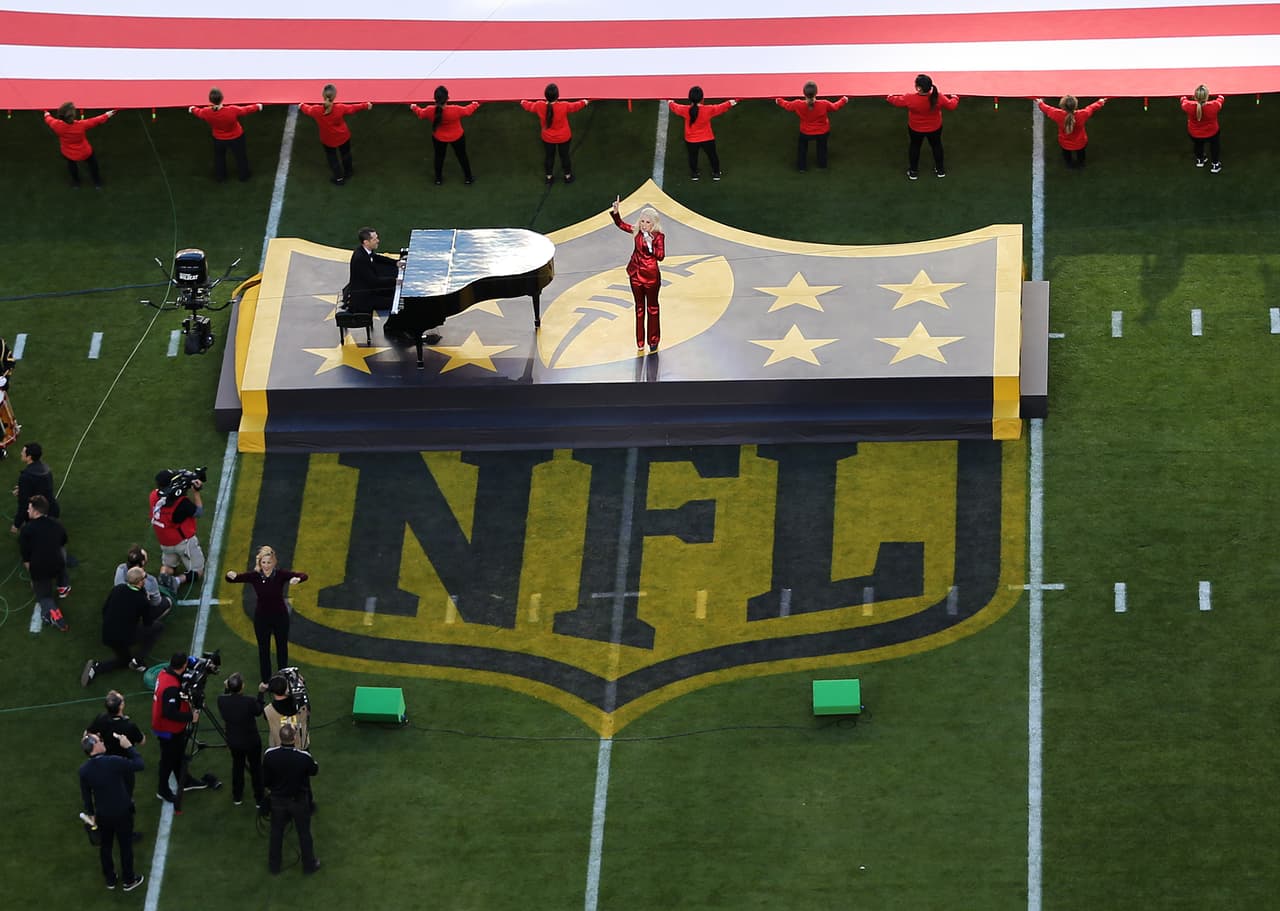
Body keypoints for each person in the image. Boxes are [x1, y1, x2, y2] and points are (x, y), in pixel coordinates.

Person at [226, 545, 308, 685]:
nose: (266, 565)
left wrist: (298, 580)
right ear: (259, 563)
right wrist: (230, 575)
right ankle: (266, 680)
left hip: (280, 617)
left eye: (269, 562)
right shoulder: (255, 576)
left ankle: (283, 678)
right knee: (263, 650)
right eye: (263, 562)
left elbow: (303, 575)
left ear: (274, 562)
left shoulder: (281, 574)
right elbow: (233, 579)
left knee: (282, 648)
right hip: (262, 618)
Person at [79, 730, 145, 892]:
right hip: (122, 811)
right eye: (99, 741)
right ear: (94, 746)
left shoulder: (84, 770)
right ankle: (129, 880)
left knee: (105, 847)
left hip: (103, 814)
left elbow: (86, 796)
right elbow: (139, 764)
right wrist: (129, 746)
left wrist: (91, 814)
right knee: (125, 846)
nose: (102, 742)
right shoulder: (113, 761)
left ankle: (110, 878)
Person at [81, 567, 167, 687]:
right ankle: (138, 661)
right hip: (125, 636)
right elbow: (148, 622)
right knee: (157, 628)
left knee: (124, 660)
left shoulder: (117, 589)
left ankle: (96, 668)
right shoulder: (142, 600)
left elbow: (104, 609)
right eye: (144, 577)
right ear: (140, 582)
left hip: (108, 634)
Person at [262, 722, 320, 875]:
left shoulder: (269, 754)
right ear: (294, 738)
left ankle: (274, 866)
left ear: (280, 738)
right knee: (304, 833)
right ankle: (309, 866)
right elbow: (314, 770)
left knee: (276, 833)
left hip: (278, 800)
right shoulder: (303, 757)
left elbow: (265, 778)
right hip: (298, 801)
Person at [610, 197, 666, 354]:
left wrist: (650, 245)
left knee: (652, 308)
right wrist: (616, 213)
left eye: (648, 222)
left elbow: (661, 256)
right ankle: (640, 341)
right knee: (639, 308)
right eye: (642, 221)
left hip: (651, 277)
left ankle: (653, 341)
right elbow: (621, 225)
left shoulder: (658, 237)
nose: (644, 225)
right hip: (635, 274)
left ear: (654, 223)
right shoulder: (636, 231)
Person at [887, 74, 959, 180]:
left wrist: (889, 97)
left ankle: (913, 172)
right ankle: (940, 170)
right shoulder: (938, 96)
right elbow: (951, 105)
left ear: (918, 88)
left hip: (915, 128)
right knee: (936, 146)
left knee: (915, 147)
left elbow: (896, 101)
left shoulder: (910, 98)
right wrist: (955, 97)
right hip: (935, 128)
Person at [299, 84, 372, 186]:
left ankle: (339, 178)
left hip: (328, 139)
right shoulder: (340, 108)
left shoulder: (316, 110)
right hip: (343, 136)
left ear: (322, 95)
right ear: (334, 96)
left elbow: (307, 110)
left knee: (332, 157)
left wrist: (301, 105)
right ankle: (349, 172)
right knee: (346, 154)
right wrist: (366, 105)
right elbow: (353, 108)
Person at [151, 652, 197, 807]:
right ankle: (162, 789)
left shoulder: (165, 672)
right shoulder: (171, 687)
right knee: (168, 760)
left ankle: (184, 779)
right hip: (168, 728)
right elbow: (169, 712)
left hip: (166, 726)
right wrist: (191, 717)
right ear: (183, 666)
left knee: (177, 755)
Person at [189, 87, 263, 182]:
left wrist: (192, 108)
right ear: (222, 98)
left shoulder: (206, 112)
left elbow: (197, 112)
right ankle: (244, 175)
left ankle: (221, 177)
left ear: (210, 100)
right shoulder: (232, 110)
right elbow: (245, 110)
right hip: (236, 137)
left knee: (219, 158)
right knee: (240, 156)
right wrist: (258, 106)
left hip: (219, 139)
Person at [520, 83, 588, 186]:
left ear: (545, 95)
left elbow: (528, 106)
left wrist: (522, 101)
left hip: (548, 139)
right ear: (557, 96)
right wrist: (585, 101)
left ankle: (549, 177)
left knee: (549, 157)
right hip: (564, 137)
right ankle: (568, 176)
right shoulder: (563, 106)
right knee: (565, 156)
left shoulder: (539, 105)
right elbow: (576, 106)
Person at [410, 86, 480, 185]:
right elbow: (467, 111)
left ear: (435, 99)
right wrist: (475, 104)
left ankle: (438, 179)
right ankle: (468, 178)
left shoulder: (430, 110)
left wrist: (414, 107)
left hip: (439, 138)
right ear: (448, 98)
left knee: (439, 157)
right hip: (457, 136)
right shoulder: (455, 109)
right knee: (462, 156)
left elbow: (421, 114)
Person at [85, 690, 147, 800]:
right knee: (126, 791)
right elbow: (142, 741)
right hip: (125, 764)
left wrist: (98, 739)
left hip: (106, 761)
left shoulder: (101, 718)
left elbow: (88, 733)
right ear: (121, 706)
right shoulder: (129, 726)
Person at [217, 672, 266, 810]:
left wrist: (227, 688)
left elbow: (227, 699)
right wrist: (261, 693)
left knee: (237, 767)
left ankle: (237, 796)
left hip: (234, 742)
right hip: (251, 741)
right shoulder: (249, 701)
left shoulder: (221, 700)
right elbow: (258, 710)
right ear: (242, 687)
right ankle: (259, 799)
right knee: (256, 769)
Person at [19, 494, 68, 630]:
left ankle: (53, 615)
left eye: (29, 508)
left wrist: (34, 578)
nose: (27, 511)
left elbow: (26, 557)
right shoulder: (56, 524)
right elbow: (63, 540)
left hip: (40, 568)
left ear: (35, 511)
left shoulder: (27, 530)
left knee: (43, 595)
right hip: (58, 564)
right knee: (61, 552)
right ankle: (63, 585)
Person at [668, 87, 737, 181]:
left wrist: (670, 101)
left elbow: (674, 106)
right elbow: (722, 106)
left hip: (691, 140)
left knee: (692, 157)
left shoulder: (685, 110)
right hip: (707, 138)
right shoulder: (708, 110)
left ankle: (694, 174)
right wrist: (735, 100)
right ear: (702, 98)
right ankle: (716, 173)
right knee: (712, 156)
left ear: (690, 98)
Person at [149, 470, 205, 587]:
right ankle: (177, 581)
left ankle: (163, 577)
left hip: (165, 543)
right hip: (183, 542)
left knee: (169, 567)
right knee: (197, 571)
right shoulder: (182, 503)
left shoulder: (153, 496)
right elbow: (198, 512)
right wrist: (195, 492)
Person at [776, 82, 849, 171]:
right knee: (822, 148)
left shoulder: (797, 104)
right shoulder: (824, 104)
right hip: (823, 132)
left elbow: (787, 105)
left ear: (804, 94)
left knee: (802, 148)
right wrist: (843, 100)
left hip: (805, 132)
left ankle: (801, 167)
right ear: (816, 93)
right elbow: (834, 107)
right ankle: (822, 165)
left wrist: (778, 100)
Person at [43, 102, 115, 188]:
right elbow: (96, 120)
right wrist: (108, 114)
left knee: (72, 166)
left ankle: (76, 183)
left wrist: (46, 113)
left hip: (68, 152)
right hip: (85, 151)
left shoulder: (55, 125)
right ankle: (97, 182)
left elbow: (48, 118)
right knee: (93, 164)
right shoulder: (81, 125)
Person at [1036, 95, 1107, 169]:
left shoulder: (1057, 114)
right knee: (1081, 154)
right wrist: (1100, 102)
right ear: (1075, 105)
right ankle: (1081, 164)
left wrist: (1040, 103)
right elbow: (1091, 108)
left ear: (1062, 106)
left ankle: (1069, 164)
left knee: (1066, 154)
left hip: (1064, 143)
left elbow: (1046, 109)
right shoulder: (1083, 114)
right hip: (1080, 142)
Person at [346, 227, 402, 314]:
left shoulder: (364, 250)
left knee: (392, 290)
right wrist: (395, 281)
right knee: (397, 303)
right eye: (374, 239)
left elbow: (377, 257)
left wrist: (396, 263)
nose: (378, 241)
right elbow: (374, 281)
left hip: (370, 289)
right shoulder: (360, 259)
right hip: (364, 297)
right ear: (366, 242)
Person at [114, 544, 176, 618]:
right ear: (142, 562)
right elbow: (156, 603)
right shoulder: (150, 581)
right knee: (167, 601)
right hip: (136, 613)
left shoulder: (120, 568)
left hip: (119, 607)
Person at [11, 441, 59, 533]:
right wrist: (23, 489)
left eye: (23, 452)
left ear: (29, 457)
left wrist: (16, 524)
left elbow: (24, 504)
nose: (21, 453)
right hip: (52, 510)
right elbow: (42, 489)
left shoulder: (26, 476)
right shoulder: (46, 469)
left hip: (39, 516)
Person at [262, 671, 311, 750]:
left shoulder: (268, 711)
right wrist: (301, 685)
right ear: (286, 688)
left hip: (278, 748)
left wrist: (260, 693)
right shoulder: (302, 706)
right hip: (301, 747)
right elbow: (305, 702)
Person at [1181, 85, 1225, 173]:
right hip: (1212, 133)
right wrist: (1220, 95)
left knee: (1198, 145)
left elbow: (1183, 99)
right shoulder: (1214, 105)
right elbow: (1221, 99)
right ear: (1207, 96)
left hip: (1194, 134)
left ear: (1195, 96)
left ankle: (1200, 159)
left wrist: (1184, 96)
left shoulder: (1188, 106)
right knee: (1214, 146)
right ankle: (1215, 164)